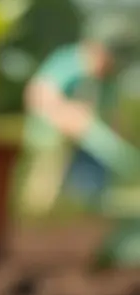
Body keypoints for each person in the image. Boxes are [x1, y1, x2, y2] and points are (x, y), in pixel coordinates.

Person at [20, 14, 136, 215]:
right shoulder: (70, 64)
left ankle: (83, 210)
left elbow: (112, 112)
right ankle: (41, 212)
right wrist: (64, 114)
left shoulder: (108, 80)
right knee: (48, 179)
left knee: (89, 191)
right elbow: (38, 93)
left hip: (88, 146)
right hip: (53, 137)